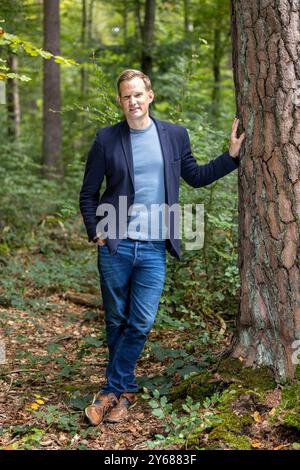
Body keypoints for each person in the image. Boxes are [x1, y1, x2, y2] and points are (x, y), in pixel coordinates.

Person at [79, 69, 245, 425]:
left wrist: (230, 157)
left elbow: (196, 177)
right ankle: (122, 396)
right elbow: (88, 193)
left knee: (140, 320)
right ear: (120, 101)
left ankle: (111, 389)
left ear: (150, 95)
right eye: (126, 96)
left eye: (138, 94)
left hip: (155, 246)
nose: (133, 101)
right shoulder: (106, 139)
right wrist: (97, 232)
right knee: (115, 319)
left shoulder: (173, 135)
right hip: (116, 245)